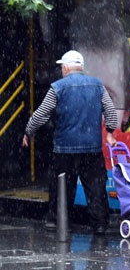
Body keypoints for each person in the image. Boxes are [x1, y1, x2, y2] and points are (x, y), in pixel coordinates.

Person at [22, 50, 118, 235]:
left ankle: (58, 221)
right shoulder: (97, 85)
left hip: (64, 149)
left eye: (61, 68)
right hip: (92, 148)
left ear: (65, 67)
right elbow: (110, 111)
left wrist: (29, 131)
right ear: (81, 67)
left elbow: (41, 114)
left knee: (62, 186)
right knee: (96, 188)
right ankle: (99, 224)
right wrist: (110, 133)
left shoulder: (58, 87)